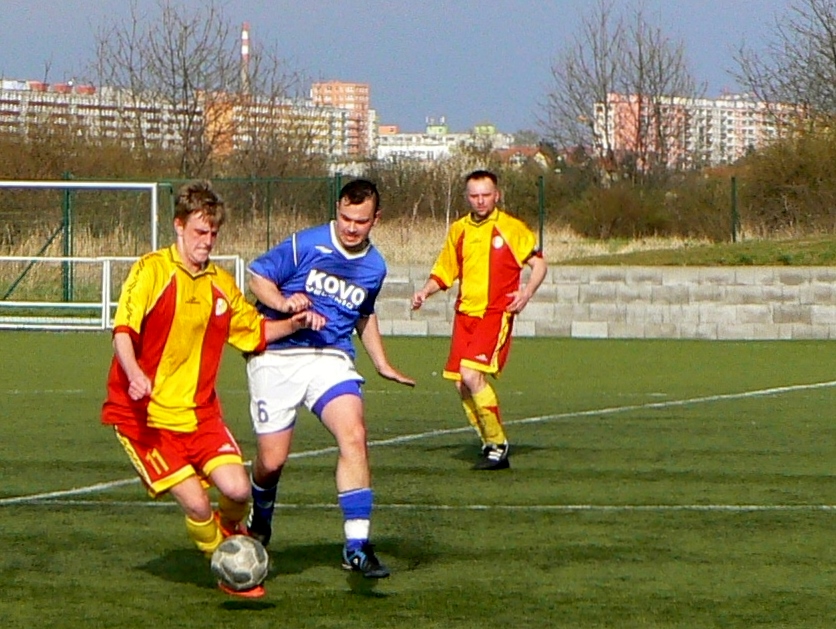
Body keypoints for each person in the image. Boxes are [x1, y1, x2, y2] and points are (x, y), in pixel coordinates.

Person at [101, 180, 324, 598]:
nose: (207, 241)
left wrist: (291, 324)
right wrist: (133, 372)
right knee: (198, 505)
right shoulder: (151, 270)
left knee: (239, 489)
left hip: (200, 415)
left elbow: (253, 331)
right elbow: (123, 330)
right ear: (179, 226)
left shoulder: (220, 283)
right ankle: (226, 566)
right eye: (200, 232)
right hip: (145, 419)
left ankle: (232, 536)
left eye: (213, 234)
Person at [244, 178, 414, 579]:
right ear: (336, 209)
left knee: (354, 434)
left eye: (361, 221)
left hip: (331, 356)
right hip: (278, 355)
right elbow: (258, 277)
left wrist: (381, 362)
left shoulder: (375, 266)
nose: (351, 227)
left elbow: (362, 314)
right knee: (271, 461)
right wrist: (285, 304)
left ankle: (357, 545)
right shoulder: (307, 243)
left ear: (376, 219)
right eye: (345, 218)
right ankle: (261, 515)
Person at [411, 169, 548, 471]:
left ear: (496, 195)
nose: (481, 200)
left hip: (495, 313)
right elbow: (446, 270)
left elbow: (539, 264)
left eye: (486, 195)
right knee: (462, 383)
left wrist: (526, 293)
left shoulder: (511, 228)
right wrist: (425, 291)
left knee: (472, 375)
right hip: (465, 315)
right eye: (474, 196)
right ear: (467, 197)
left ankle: (498, 443)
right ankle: (488, 442)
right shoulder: (459, 229)